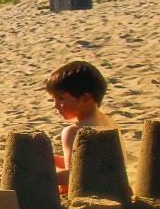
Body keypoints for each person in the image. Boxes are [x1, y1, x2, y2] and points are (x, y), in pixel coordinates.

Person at [46, 60, 122, 192]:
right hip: (116, 189)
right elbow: (91, 164)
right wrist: (51, 160)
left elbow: (74, 177)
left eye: (61, 98)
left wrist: (44, 172)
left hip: (91, 194)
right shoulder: (111, 123)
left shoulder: (74, 132)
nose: (55, 105)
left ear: (86, 98)